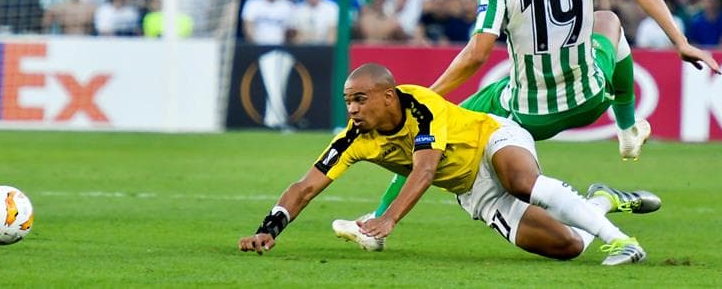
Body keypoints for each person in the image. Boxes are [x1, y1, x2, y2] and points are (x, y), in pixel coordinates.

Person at [333, 0, 721, 251]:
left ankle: (378, 222)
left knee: (432, 124)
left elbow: (476, 54)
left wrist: (426, 96)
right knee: (608, 21)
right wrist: (680, 42)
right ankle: (628, 127)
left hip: (528, 110)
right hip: (591, 97)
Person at [238, 64, 661, 266]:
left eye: (359, 99)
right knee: (567, 248)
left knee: (520, 181)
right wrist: (266, 230)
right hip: (472, 190)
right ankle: (600, 202)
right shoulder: (353, 138)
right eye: (348, 100)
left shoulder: (420, 104)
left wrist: (389, 220)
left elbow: (424, 170)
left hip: (493, 138)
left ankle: (622, 241)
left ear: (388, 96)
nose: (352, 108)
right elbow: (305, 186)